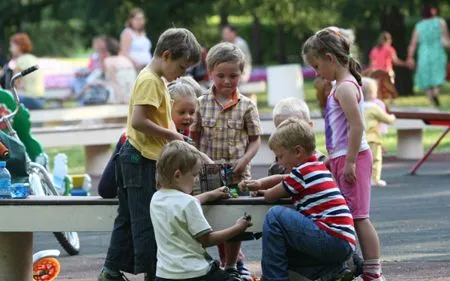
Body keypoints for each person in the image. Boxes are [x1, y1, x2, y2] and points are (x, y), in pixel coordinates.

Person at [98, 28, 202, 281]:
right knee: (148, 220)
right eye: (182, 66)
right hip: (139, 159)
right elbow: (139, 121)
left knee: (128, 217)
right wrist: (173, 136)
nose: (183, 73)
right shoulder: (150, 81)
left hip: (143, 157)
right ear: (166, 55)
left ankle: (111, 271)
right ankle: (154, 273)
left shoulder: (156, 80)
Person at [303, 27, 385, 281]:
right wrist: (335, 158)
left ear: (330, 58)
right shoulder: (341, 85)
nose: (317, 73)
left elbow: (357, 125)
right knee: (345, 215)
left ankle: (373, 271)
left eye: (317, 67)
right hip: (342, 157)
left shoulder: (345, 88)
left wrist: (348, 161)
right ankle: (350, 264)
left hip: (353, 158)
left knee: (358, 217)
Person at [239, 118, 355, 281]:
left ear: (298, 152)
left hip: (330, 238)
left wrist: (262, 191)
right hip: (343, 242)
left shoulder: (302, 173)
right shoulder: (315, 167)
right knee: (288, 239)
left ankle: (273, 278)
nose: (279, 162)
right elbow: (283, 177)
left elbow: (271, 195)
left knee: (275, 216)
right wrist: (259, 183)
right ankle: (332, 270)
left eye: (280, 156)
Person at [191, 42, 262, 280]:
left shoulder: (247, 106)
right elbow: (194, 139)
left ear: (241, 73)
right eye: (220, 75)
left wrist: (244, 160)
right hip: (207, 175)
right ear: (210, 72)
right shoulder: (200, 104)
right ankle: (214, 262)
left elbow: (255, 141)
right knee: (211, 218)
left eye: (233, 75)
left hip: (237, 176)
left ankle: (232, 264)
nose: (227, 81)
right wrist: (200, 160)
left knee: (234, 218)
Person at [151, 140, 253, 281]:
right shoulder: (188, 203)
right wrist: (237, 228)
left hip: (165, 274)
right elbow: (207, 240)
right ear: (177, 175)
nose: (196, 179)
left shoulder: (156, 199)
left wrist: (211, 194)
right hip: (195, 273)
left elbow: (181, 205)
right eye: (194, 175)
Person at [97, 76, 203, 199]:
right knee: (106, 190)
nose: (188, 117)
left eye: (192, 112)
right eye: (182, 112)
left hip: (152, 163)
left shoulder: (185, 130)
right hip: (131, 146)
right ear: (168, 108)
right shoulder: (161, 125)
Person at [268, 97, 326, 176]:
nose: (286, 137)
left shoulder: (324, 164)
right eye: (280, 132)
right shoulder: (277, 168)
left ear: (310, 127)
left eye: (291, 131)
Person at [406, 2, 450, 107]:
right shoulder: (440, 22)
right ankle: (435, 94)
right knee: (436, 76)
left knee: (425, 79)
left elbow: (413, 44)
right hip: (437, 53)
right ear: (432, 10)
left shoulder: (419, 26)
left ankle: (432, 101)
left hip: (424, 54)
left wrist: (410, 57)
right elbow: (445, 40)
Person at [362, 77, 396, 187]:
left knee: (362, 161)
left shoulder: (358, 107)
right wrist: (392, 117)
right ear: (373, 93)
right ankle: (374, 179)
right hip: (373, 139)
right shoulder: (374, 108)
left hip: (360, 139)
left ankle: (363, 179)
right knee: (376, 159)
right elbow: (387, 119)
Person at [8, 33, 45, 110]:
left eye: (12, 46)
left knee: (5, 100)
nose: (10, 49)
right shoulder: (33, 58)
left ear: (19, 47)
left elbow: (15, 85)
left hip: (31, 99)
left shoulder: (20, 61)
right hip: (41, 100)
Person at [103, 37, 137, 104]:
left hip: (120, 76)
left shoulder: (108, 60)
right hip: (131, 76)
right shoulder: (124, 59)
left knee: (110, 83)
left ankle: (120, 99)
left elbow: (113, 78)